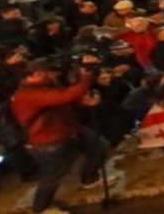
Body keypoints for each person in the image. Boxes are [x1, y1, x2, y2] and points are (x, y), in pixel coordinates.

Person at [11, 59, 114, 214]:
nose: (54, 76)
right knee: (53, 174)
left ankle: (89, 177)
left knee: (99, 146)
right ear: (39, 74)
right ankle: (41, 207)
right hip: (48, 139)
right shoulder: (27, 95)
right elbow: (64, 97)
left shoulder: (46, 87)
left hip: (70, 129)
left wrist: (83, 101)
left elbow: (65, 98)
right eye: (51, 73)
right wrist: (85, 77)